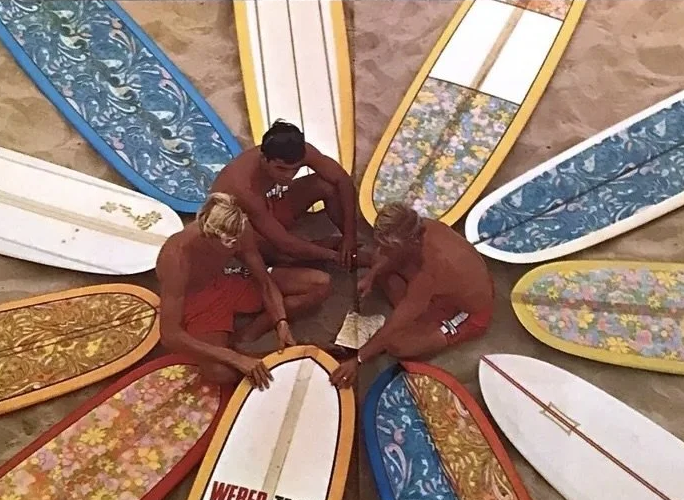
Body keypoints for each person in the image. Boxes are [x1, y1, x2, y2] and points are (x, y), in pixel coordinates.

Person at [155, 192, 331, 389]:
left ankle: (249, 334)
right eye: (231, 243)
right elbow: (170, 335)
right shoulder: (177, 257)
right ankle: (262, 359)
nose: (238, 246)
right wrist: (234, 358)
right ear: (208, 235)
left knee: (320, 284)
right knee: (219, 372)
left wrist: (280, 321)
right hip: (199, 303)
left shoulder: (239, 228)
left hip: (227, 280)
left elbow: (264, 280)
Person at [329, 202, 494, 388]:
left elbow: (399, 320)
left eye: (388, 247)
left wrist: (358, 359)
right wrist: (371, 276)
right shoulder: (419, 228)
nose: (382, 250)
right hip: (437, 289)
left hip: (467, 313)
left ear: (409, 243)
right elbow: (390, 257)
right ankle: (421, 315)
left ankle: (433, 328)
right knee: (380, 263)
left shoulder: (433, 269)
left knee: (398, 344)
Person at [210, 119, 371, 270]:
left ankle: (344, 244)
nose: (289, 176)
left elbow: (342, 180)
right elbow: (285, 244)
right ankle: (330, 247)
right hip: (240, 225)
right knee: (285, 256)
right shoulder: (244, 187)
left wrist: (349, 235)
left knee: (327, 185)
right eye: (281, 169)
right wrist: (333, 256)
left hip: (268, 205)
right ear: (264, 158)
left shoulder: (303, 151)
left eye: (295, 169)